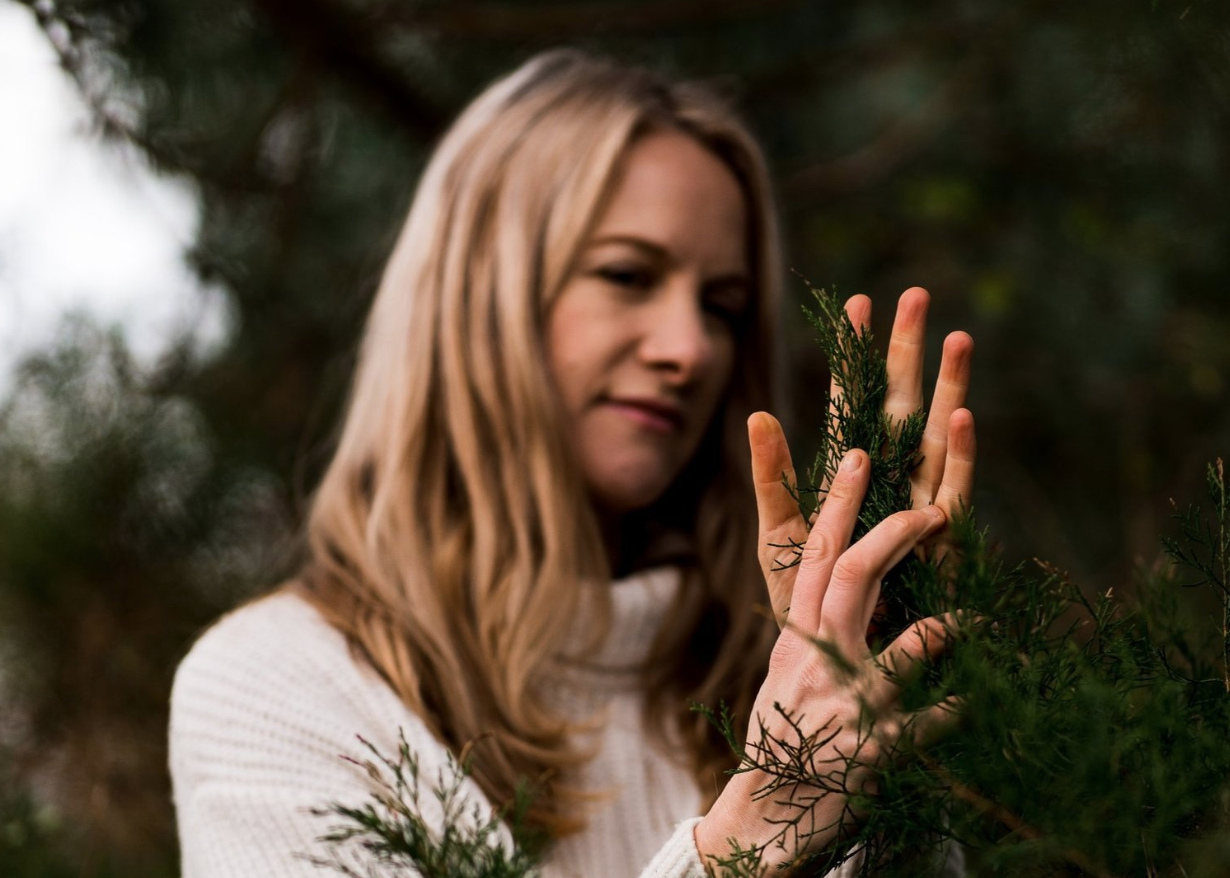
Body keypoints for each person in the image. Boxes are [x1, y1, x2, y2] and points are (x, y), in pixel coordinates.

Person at [169, 48, 975, 878]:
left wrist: (881, 719)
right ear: (481, 295)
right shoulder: (276, 687)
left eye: (722, 307)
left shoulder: (765, 676)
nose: (690, 348)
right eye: (628, 274)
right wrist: (757, 827)